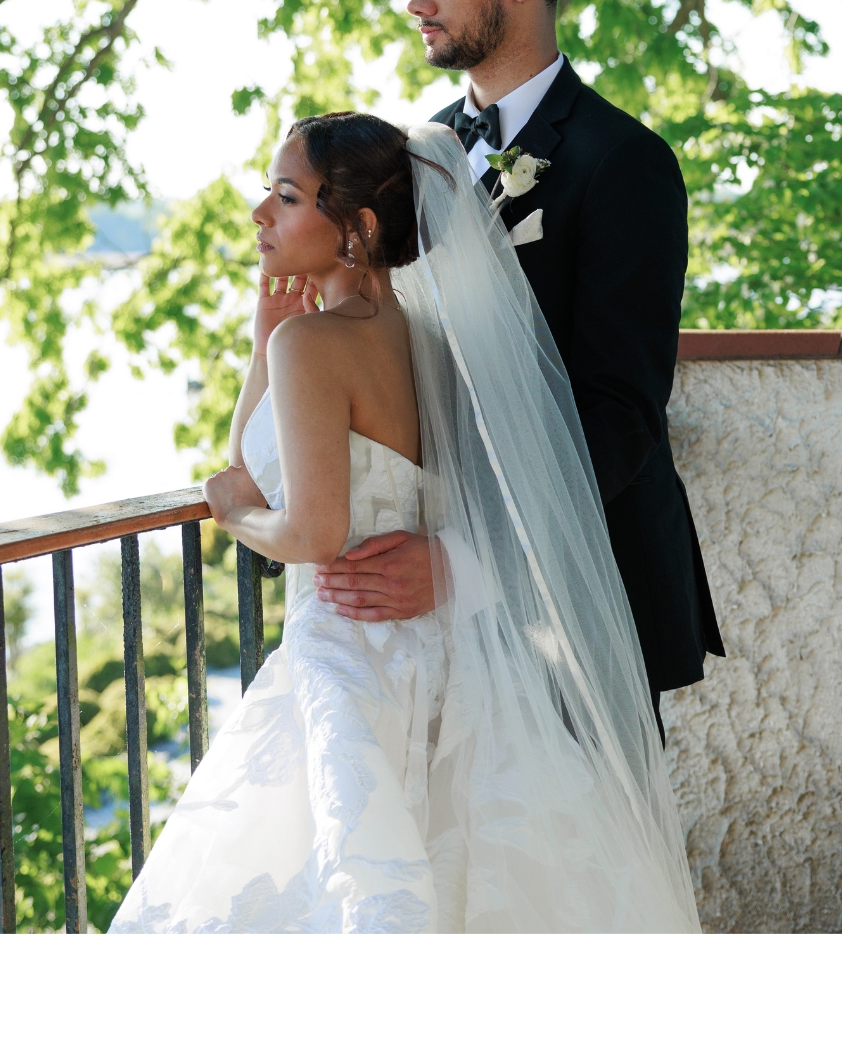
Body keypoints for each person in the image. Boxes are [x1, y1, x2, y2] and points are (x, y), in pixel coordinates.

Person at [113, 116, 701, 932]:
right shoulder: (422, 338)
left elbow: (304, 528)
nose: (260, 216)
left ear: (356, 228)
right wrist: (265, 342)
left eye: (285, 198)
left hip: (347, 648)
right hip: (439, 652)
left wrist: (235, 513)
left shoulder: (313, 345)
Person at [312, 0, 724, 730]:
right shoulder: (416, 152)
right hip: (428, 600)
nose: (414, 0)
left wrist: (469, 562)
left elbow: (621, 413)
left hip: (576, 590)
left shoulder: (625, 162)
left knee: (581, 860)